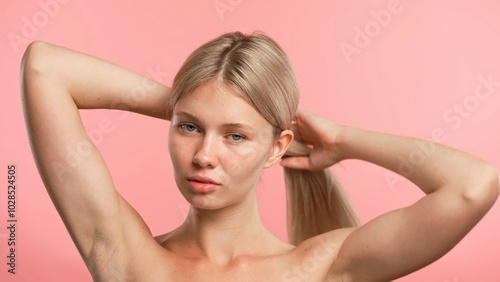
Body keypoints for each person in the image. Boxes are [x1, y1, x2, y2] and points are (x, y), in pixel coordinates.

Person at [21, 31, 498, 281]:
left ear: (278, 148)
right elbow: (44, 66)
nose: (204, 155)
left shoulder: (323, 267)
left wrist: (342, 140)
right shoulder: (122, 252)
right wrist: (186, 97)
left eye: (235, 136)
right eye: (189, 127)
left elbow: (473, 184)